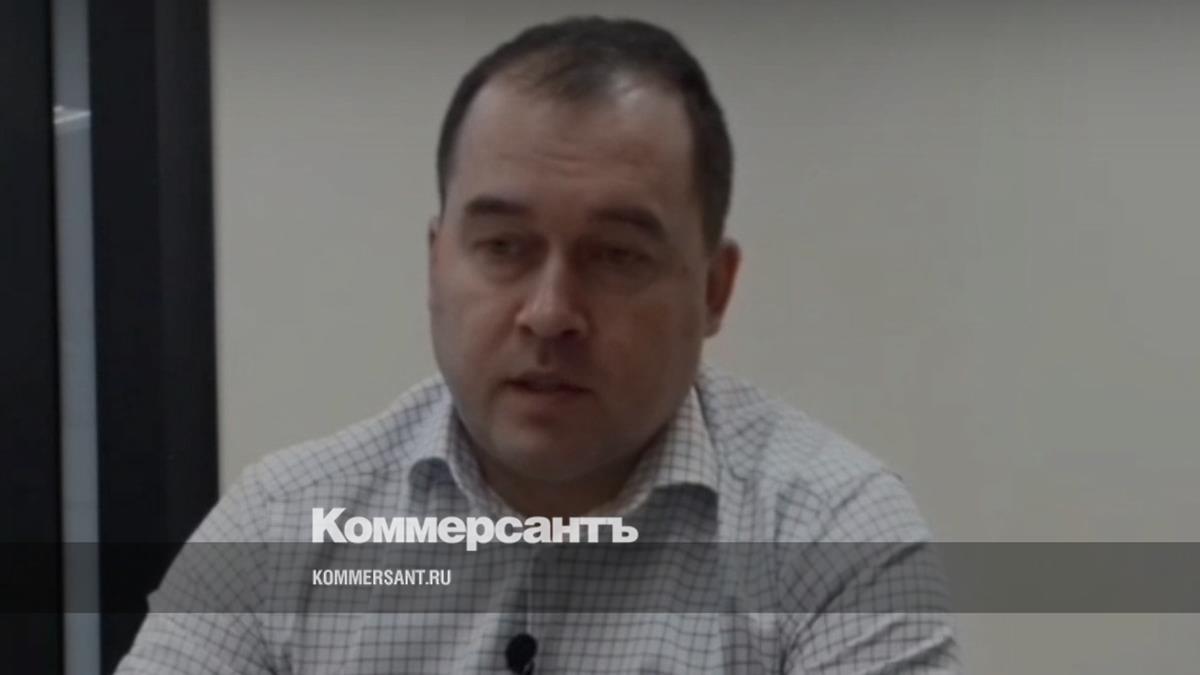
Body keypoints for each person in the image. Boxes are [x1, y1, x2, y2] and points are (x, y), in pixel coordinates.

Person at [117, 15, 960, 674]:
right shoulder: (284, 523)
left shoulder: (830, 533)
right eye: (504, 247)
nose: (550, 313)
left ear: (714, 290)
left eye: (617, 256)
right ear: (436, 263)